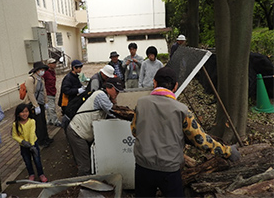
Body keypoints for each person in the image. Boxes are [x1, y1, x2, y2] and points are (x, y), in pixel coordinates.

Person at [131, 67, 241, 198]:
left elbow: (134, 131)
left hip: (143, 167)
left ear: (154, 82)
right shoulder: (182, 110)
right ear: (176, 86)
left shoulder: (141, 104)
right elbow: (201, 140)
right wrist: (227, 151)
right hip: (169, 171)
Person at [67, 77, 124, 176]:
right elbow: (113, 113)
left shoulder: (104, 95)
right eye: (116, 91)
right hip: (77, 132)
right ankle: (82, 187)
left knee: (88, 160)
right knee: (85, 165)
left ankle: (87, 182)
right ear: (109, 88)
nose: (117, 94)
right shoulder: (101, 95)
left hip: (81, 131)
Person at [12, 103, 48, 182]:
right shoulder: (15, 124)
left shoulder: (32, 121)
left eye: (26, 111)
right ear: (18, 114)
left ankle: (41, 174)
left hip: (33, 145)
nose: (24, 114)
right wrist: (22, 141)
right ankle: (31, 174)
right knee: (27, 161)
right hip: (24, 146)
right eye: (22, 112)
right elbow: (14, 135)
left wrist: (32, 145)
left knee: (37, 160)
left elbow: (32, 133)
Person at [25, 61, 53, 148]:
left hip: (41, 103)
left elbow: (43, 91)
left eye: (43, 70)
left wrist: (46, 102)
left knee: (43, 122)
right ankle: (41, 141)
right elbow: (31, 93)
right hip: (33, 105)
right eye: (41, 69)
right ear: (36, 70)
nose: (42, 71)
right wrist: (36, 106)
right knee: (38, 124)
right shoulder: (31, 79)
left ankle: (46, 137)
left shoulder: (41, 79)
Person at [43, 58, 61, 127]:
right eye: (53, 63)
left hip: (53, 92)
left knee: (49, 108)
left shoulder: (53, 72)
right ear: (49, 64)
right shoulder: (46, 73)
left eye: (55, 63)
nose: (55, 65)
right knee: (52, 108)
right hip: (48, 93)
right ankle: (55, 121)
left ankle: (50, 120)